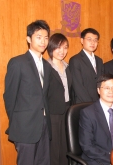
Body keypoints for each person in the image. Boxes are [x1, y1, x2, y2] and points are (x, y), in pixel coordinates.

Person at [3, 20, 52, 165]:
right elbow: (9, 97)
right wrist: (17, 123)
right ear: (29, 39)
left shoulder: (46, 66)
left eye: (46, 37)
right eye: (38, 37)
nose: (43, 41)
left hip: (43, 125)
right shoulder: (18, 62)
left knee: (44, 162)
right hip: (24, 127)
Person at [79, 74, 113, 165]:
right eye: (106, 88)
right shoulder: (88, 113)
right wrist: (111, 158)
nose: (111, 92)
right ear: (98, 90)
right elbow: (87, 146)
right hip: (97, 159)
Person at [46, 33, 72, 165]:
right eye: (59, 47)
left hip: (67, 110)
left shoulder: (68, 67)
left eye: (65, 47)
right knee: (54, 148)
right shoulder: (45, 68)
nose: (62, 51)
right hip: (53, 113)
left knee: (65, 146)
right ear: (51, 47)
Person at [69, 28, 103, 104]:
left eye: (95, 40)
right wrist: (90, 105)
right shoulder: (75, 60)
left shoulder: (99, 61)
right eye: (89, 39)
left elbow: (101, 83)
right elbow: (78, 87)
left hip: (98, 103)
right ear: (82, 41)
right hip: (82, 104)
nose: (92, 42)